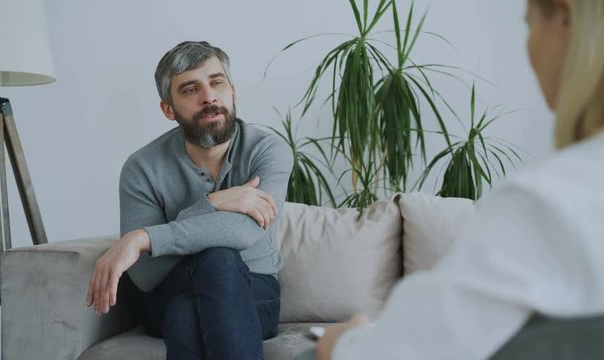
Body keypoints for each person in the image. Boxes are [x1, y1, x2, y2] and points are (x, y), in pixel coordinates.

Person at [308, 0, 604, 358]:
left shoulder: (548, 202)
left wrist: (344, 341)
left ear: (566, 17)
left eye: (528, 25)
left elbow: (401, 352)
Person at [85, 41, 293, 360]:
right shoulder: (142, 167)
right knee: (212, 265)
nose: (208, 97)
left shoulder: (267, 151)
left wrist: (144, 238)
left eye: (217, 82)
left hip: (254, 291)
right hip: (167, 290)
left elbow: (243, 232)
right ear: (168, 109)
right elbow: (145, 273)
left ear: (233, 92)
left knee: (191, 305)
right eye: (190, 89)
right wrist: (213, 202)